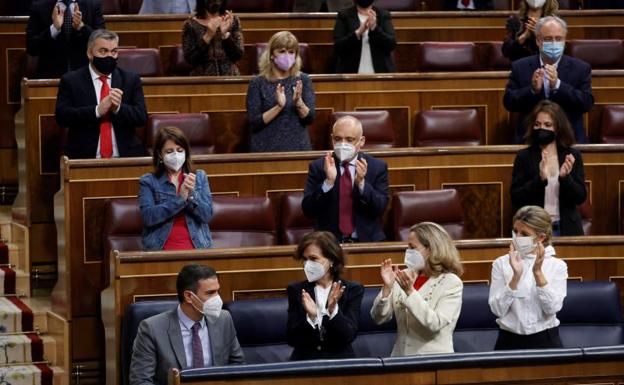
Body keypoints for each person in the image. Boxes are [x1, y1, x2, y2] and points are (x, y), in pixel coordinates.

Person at [129, 264, 244, 385]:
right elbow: (140, 381)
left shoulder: (224, 320)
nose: (217, 298)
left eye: (217, 292)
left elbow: (238, 369)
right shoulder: (152, 328)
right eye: (210, 293)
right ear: (189, 296)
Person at [370, 222, 464, 355]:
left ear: (431, 249)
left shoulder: (451, 283)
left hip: (433, 363)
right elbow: (379, 318)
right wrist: (387, 288)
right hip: (400, 360)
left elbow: (435, 323)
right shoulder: (404, 276)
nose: (408, 252)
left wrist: (410, 292)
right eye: (407, 247)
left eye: (412, 247)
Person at [55, 29, 147, 159]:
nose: (109, 56)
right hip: (84, 158)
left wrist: (118, 108)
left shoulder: (130, 80)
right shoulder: (71, 81)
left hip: (125, 157)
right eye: (103, 51)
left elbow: (141, 117)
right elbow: (62, 116)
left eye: (114, 51)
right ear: (90, 53)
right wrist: (97, 110)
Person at [503, 16, 594, 144]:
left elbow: (586, 103)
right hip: (529, 139)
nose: (553, 43)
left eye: (558, 39)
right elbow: (509, 102)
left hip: (569, 139)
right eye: (548, 39)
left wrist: (558, 85)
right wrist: (532, 90)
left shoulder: (580, 68)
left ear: (564, 41)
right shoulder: (520, 66)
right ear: (538, 41)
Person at [488, 205, 567, 350]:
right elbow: (497, 310)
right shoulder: (501, 263)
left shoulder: (557, 266)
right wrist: (515, 278)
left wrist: (538, 273)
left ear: (541, 238)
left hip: (545, 340)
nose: (517, 238)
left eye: (524, 234)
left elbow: (552, 308)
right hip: (509, 340)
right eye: (515, 231)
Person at [302, 115, 388, 242]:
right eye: (338, 139)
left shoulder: (376, 167)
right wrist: (328, 183)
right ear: (332, 139)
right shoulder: (319, 167)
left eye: (349, 140)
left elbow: (380, 208)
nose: (343, 144)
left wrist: (362, 184)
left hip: (366, 242)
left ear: (361, 141)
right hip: (329, 244)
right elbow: (308, 210)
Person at [510, 100, 586, 236]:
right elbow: (516, 197)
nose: (542, 129)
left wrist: (565, 178)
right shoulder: (524, 156)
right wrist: (539, 180)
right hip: (533, 230)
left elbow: (580, 197)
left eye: (547, 125)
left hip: (566, 229)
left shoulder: (572, 155)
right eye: (537, 125)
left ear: (557, 128)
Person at [287, 231, 364, 360]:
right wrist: (311, 318)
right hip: (305, 362)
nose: (307, 264)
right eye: (305, 259)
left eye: (313, 259)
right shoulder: (296, 290)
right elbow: (291, 339)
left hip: (339, 362)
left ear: (331, 259)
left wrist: (333, 312)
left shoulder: (352, 290)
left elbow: (349, 335)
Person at [138, 127, 214, 251]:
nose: (176, 155)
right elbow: (148, 217)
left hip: (198, 246)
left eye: (180, 150)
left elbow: (206, 215)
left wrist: (191, 196)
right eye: (169, 151)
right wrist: (179, 199)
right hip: (161, 248)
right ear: (159, 154)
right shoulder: (148, 181)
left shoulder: (199, 177)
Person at [246, 31, 315, 152]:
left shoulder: (303, 80)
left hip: (298, 148)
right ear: (272, 54)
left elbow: (309, 119)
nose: (287, 56)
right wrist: (278, 107)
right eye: (282, 51)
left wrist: (299, 102)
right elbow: (254, 123)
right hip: (265, 148)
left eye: (291, 52)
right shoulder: (257, 83)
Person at [26, 0, 105, 79]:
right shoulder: (39, 6)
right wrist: (54, 28)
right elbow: (31, 48)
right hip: (50, 76)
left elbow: (102, 43)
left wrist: (82, 27)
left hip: (85, 76)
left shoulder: (92, 4)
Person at [182, 0, 244, 76]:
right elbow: (190, 59)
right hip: (201, 80)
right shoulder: (190, 25)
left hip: (229, 78)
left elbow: (238, 56)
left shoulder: (232, 21)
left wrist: (225, 35)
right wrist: (208, 36)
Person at [333, 0, 396, 73]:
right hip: (350, 74)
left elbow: (391, 44)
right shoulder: (344, 15)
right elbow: (338, 46)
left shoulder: (383, 15)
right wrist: (358, 33)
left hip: (380, 73)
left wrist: (375, 28)